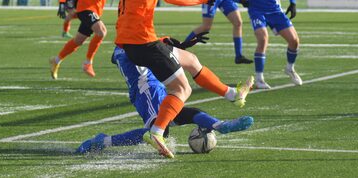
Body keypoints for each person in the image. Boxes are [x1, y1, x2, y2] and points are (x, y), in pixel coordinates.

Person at [115, 0, 254, 158]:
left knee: (190, 59)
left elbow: (130, 19)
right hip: (142, 44)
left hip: (138, 43)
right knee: (182, 89)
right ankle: (157, 133)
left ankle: (233, 95)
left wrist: (164, 40)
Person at [76, 36, 254, 154]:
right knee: (160, 131)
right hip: (145, 90)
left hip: (155, 86)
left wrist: (168, 43)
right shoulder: (125, 50)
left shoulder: (132, 42)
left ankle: (221, 125)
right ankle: (103, 141)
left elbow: (150, 46)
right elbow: (138, 50)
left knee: (180, 113)